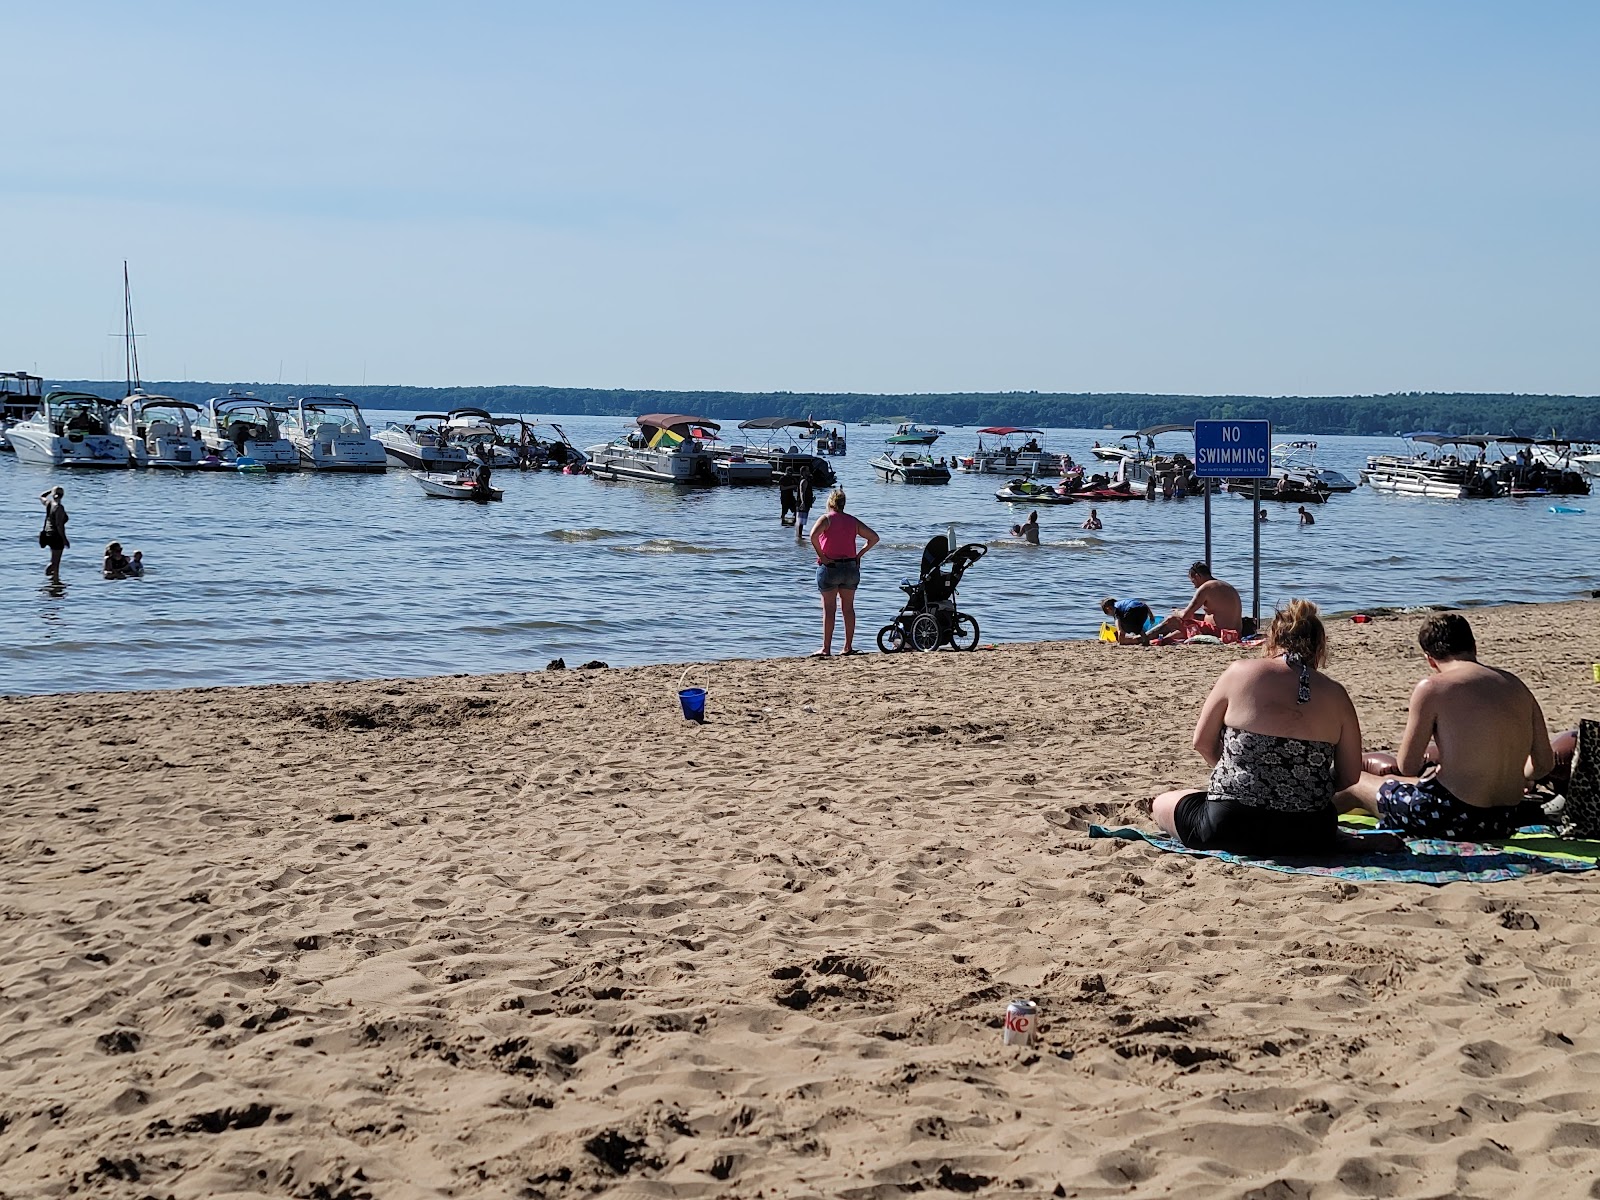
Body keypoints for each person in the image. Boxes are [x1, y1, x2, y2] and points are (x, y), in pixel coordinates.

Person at [1152, 600, 1389, 855]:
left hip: (1230, 826)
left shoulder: (1240, 672)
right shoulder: (1337, 694)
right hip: (1312, 833)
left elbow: (1201, 742)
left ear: (1272, 638)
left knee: (1161, 803)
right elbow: (1350, 776)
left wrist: (1243, 776)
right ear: (1319, 646)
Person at [1336, 613, 1556, 840]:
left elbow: (1407, 765)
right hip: (1504, 819)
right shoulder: (1517, 686)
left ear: (1430, 659)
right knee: (1407, 783)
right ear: (1474, 646)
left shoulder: (1433, 688)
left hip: (1448, 816)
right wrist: (1512, 774)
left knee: (1357, 782)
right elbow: (1543, 765)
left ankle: (1307, 824)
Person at [808, 489, 879, 657]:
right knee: (848, 608)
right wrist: (858, 555)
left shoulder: (826, 519)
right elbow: (874, 538)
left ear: (830, 503)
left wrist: (822, 557)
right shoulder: (852, 521)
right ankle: (847, 646)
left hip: (830, 568)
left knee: (829, 609)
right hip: (849, 568)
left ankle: (826, 648)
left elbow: (812, 536)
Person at [1145, 561, 1243, 642]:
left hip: (1220, 632)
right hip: (1236, 633)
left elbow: (1185, 615)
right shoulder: (1225, 585)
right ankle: (1164, 639)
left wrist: (1177, 612)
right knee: (1191, 620)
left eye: (1193, 581)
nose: (1195, 586)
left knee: (1173, 620)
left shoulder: (1206, 587)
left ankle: (1143, 638)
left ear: (1197, 576)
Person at [39, 487, 69, 578]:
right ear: (63, 495)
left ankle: (52, 580)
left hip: (48, 534)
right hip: (56, 536)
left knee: (53, 561)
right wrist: (64, 539)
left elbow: (41, 496)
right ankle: (53, 580)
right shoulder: (59, 508)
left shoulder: (49, 503)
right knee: (55, 562)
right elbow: (59, 525)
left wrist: (50, 491)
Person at [794, 468, 815, 543]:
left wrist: (811, 499)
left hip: (806, 503)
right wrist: (803, 502)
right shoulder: (804, 481)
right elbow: (802, 492)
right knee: (801, 521)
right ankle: (799, 536)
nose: (809, 472)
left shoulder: (806, 481)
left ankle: (799, 537)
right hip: (803, 504)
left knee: (802, 521)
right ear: (803, 472)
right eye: (807, 471)